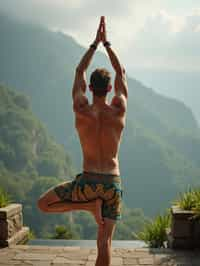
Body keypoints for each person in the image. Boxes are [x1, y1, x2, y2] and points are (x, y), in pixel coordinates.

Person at [38, 16, 128, 266]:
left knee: (43, 204)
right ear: (109, 89)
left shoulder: (81, 109)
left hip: (87, 183)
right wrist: (107, 44)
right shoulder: (118, 110)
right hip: (112, 183)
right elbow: (120, 72)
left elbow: (79, 71)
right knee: (105, 243)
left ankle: (88, 207)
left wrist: (94, 45)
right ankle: (91, 207)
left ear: (89, 87)